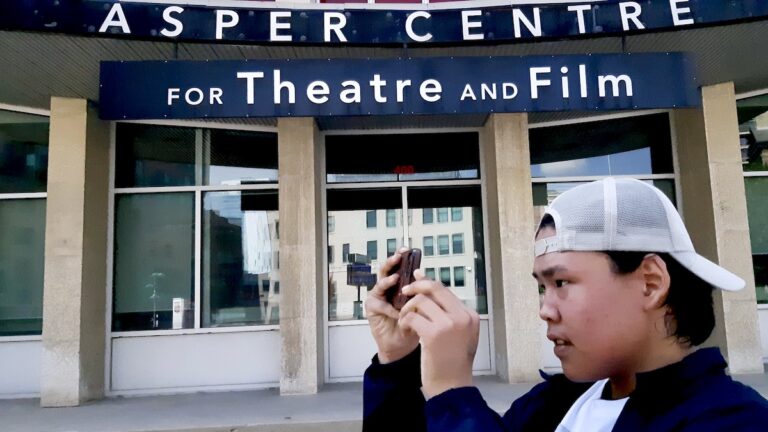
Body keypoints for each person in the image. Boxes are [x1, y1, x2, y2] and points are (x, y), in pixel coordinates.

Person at [362, 178, 768, 431]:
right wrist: (398, 364)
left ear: (651, 283)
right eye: (542, 286)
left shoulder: (733, 419)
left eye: (561, 282)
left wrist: (452, 393)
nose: (545, 308)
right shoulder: (552, 403)